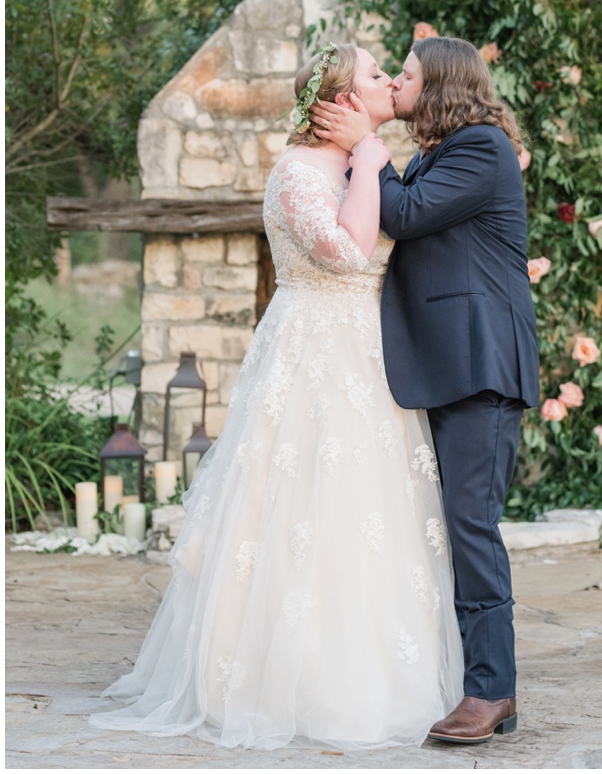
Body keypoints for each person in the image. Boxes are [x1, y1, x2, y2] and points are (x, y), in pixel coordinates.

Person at [91, 43, 463, 752]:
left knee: (368, 505)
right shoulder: (299, 170)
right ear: (343, 102)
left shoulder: (372, 160)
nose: (389, 81)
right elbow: (349, 251)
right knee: (300, 503)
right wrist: (370, 160)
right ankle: (281, 679)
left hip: (372, 352)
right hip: (314, 348)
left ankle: (376, 672)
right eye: (376, 74)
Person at [313, 35, 540, 745]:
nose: (397, 82)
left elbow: (403, 214)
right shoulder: (443, 151)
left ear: (442, 84)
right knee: (453, 522)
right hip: (447, 364)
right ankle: (475, 676)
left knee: (471, 520)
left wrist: (366, 148)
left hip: (480, 365)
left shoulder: (481, 147)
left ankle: (490, 690)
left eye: (406, 74)